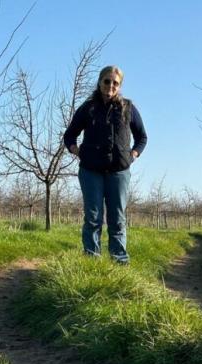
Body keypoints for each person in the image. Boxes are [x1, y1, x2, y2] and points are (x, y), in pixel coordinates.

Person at [63, 65, 147, 264]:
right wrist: (77, 151)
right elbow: (69, 135)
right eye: (107, 81)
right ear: (100, 82)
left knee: (117, 219)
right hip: (91, 171)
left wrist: (133, 154)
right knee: (93, 217)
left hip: (119, 172)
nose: (110, 86)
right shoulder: (88, 108)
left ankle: (119, 261)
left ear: (119, 86)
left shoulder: (128, 108)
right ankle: (92, 261)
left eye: (115, 83)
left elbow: (142, 137)